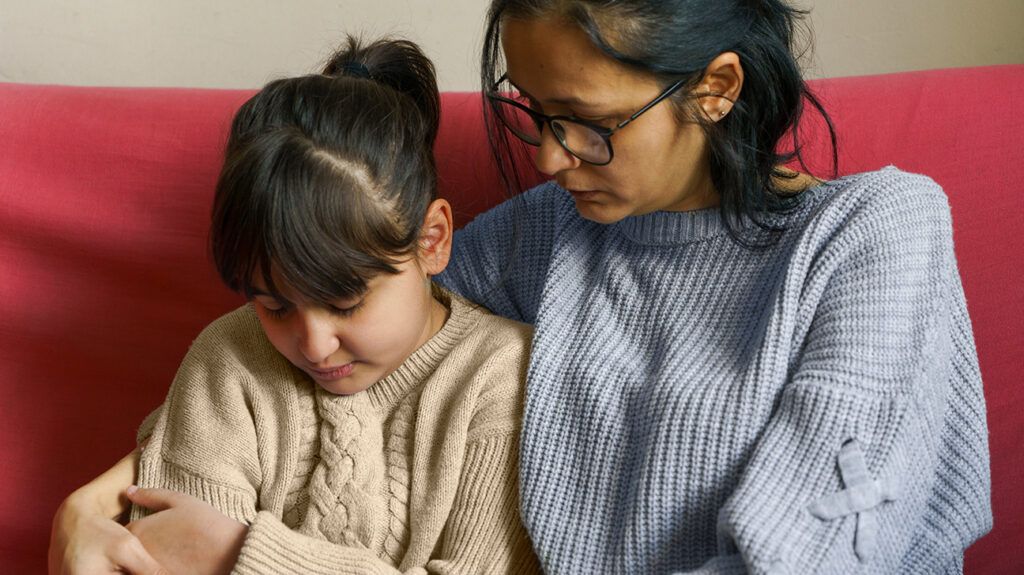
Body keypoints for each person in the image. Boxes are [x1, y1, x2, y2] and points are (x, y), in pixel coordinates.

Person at [51, 1, 993, 573]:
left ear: (715, 87)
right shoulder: (558, 231)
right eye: (532, 111)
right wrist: (89, 506)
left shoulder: (872, 236)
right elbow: (337, 305)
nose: (545, 157)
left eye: (584, 121)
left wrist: (244, 556)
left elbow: (810, 558)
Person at [50, 37, 540, 575]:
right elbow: (168, 557)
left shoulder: (501, 376)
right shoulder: (231, 357)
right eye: (275, 307)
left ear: (432, 240)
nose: (313, 345)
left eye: (346, 303)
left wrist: (244, 553)